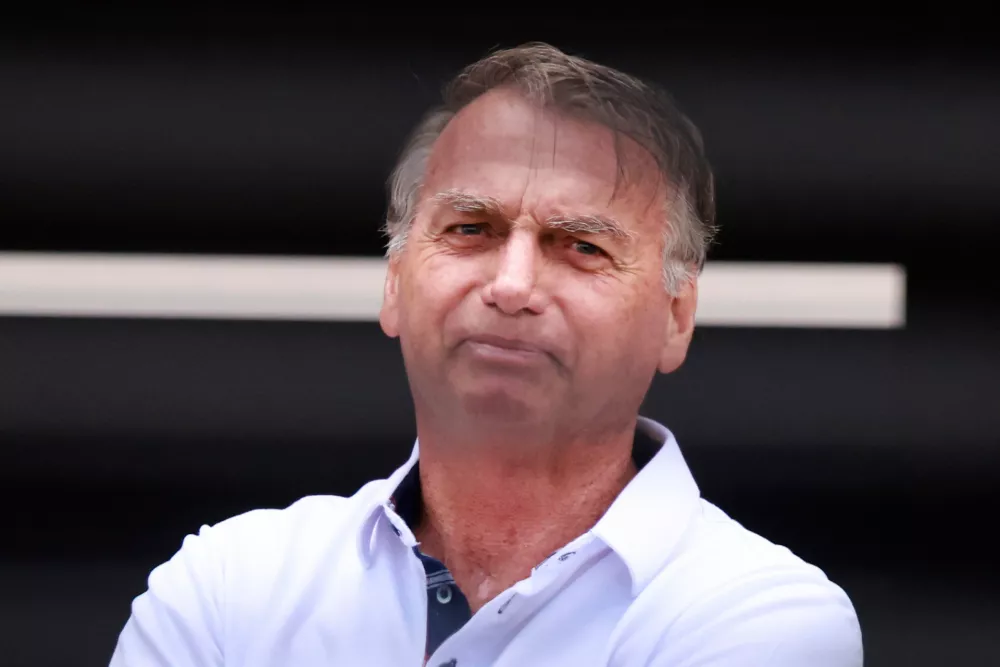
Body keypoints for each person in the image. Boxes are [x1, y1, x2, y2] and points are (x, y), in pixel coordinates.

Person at [110, 42, 862, 666]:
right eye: (471, 228)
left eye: (582, 246)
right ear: (396, 282)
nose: (512, 284)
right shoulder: (228, 583)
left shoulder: (761, 616)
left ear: (676, 316)